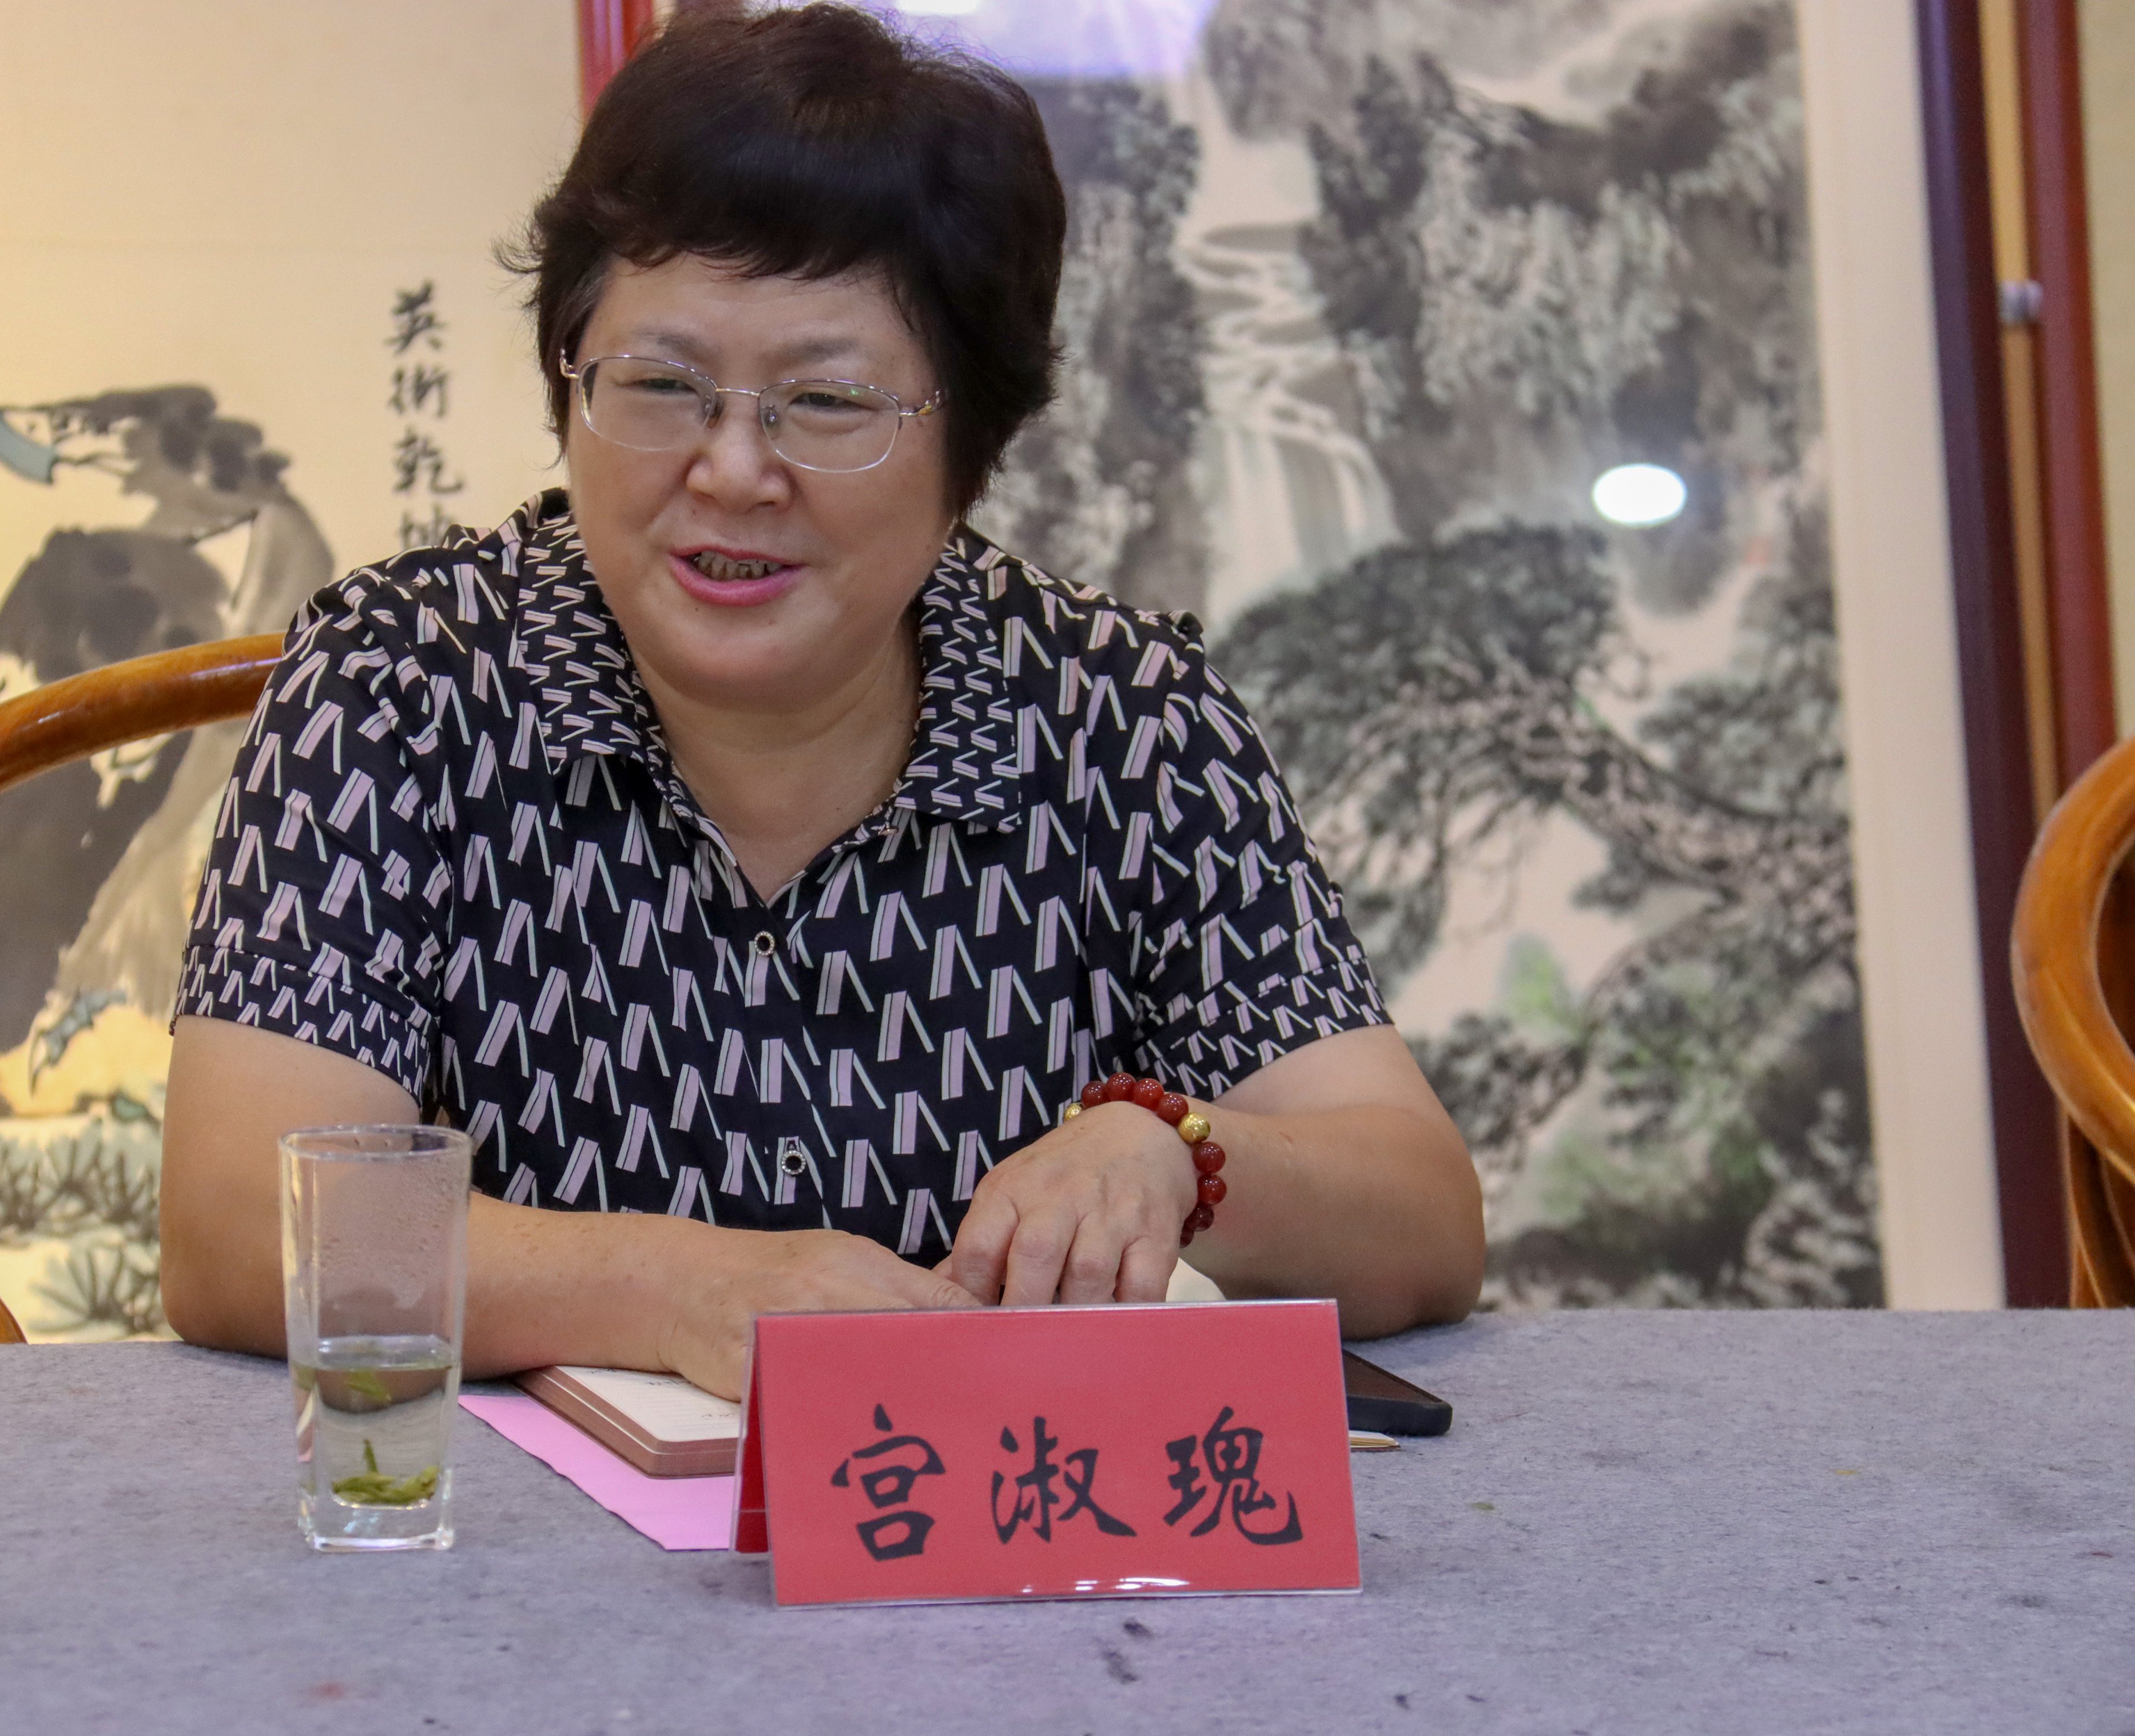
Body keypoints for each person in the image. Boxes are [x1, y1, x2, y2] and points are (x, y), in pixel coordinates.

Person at [159, 3, 1482, 1395]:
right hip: (528, 1519)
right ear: (569, 383)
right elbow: (242, 1225)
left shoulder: (1122, 714)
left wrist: (1178, 1150)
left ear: (973, 443)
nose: (732, 470)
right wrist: (682, 1289)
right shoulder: (402, 682)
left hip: (989, 1515)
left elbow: (1422, 1217)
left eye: (829, 403)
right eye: (660, 385)